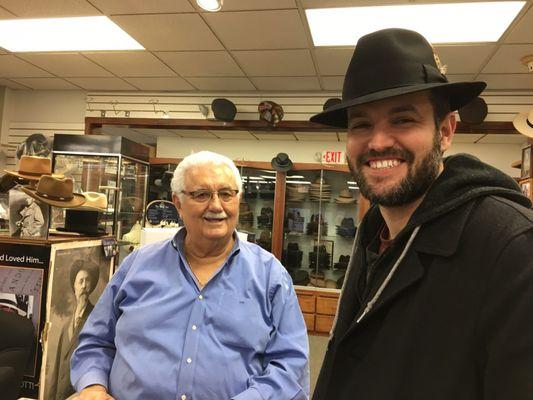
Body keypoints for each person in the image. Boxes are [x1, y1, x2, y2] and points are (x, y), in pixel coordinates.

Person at [309, 28, 533, 400]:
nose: (378, 141)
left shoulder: (512, 248)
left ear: (445, 131)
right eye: (361, 124)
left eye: (402, 119)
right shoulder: (374, 230)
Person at [70, 151, 309, 400]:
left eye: (226, 194)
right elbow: (96, 341)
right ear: (178, 203)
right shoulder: (137, 265)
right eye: (201, 194)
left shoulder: (270, 276)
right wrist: (92, 386)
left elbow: (290, 366)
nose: (216, 205)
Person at [50, 260, 99, 400]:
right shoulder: (66, 325)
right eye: (80, 281)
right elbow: (56, 369)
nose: (84, 286)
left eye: (87, 281)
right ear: (74, 286)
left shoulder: (95, 318)